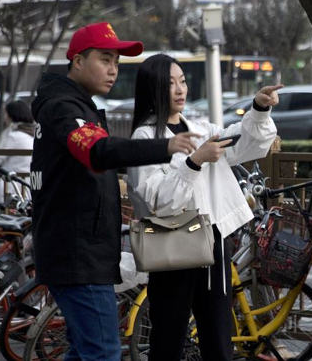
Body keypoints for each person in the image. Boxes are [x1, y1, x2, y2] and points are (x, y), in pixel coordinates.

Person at [30, 22, 200, 361]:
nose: (113, 70)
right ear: (78, 61)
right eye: (105, 59)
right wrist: (165, 146)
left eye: (117, 62)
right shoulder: (64, 108)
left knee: (84, 351)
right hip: (78, 256)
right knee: (104, 353)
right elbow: (97, 151)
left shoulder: (76, 105)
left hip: (79, 252)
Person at [127, 54, 280, 360]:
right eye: (170, 83)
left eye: (182, 81)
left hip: (212, 241)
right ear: (152, 89)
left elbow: (244, 144)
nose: (179, 89)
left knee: (218, 336)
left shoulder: (200, 129)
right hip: (171, 245)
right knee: (168, 337)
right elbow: (155, 200)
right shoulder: (144, 137)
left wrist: (259, 109)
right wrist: (195, 161)